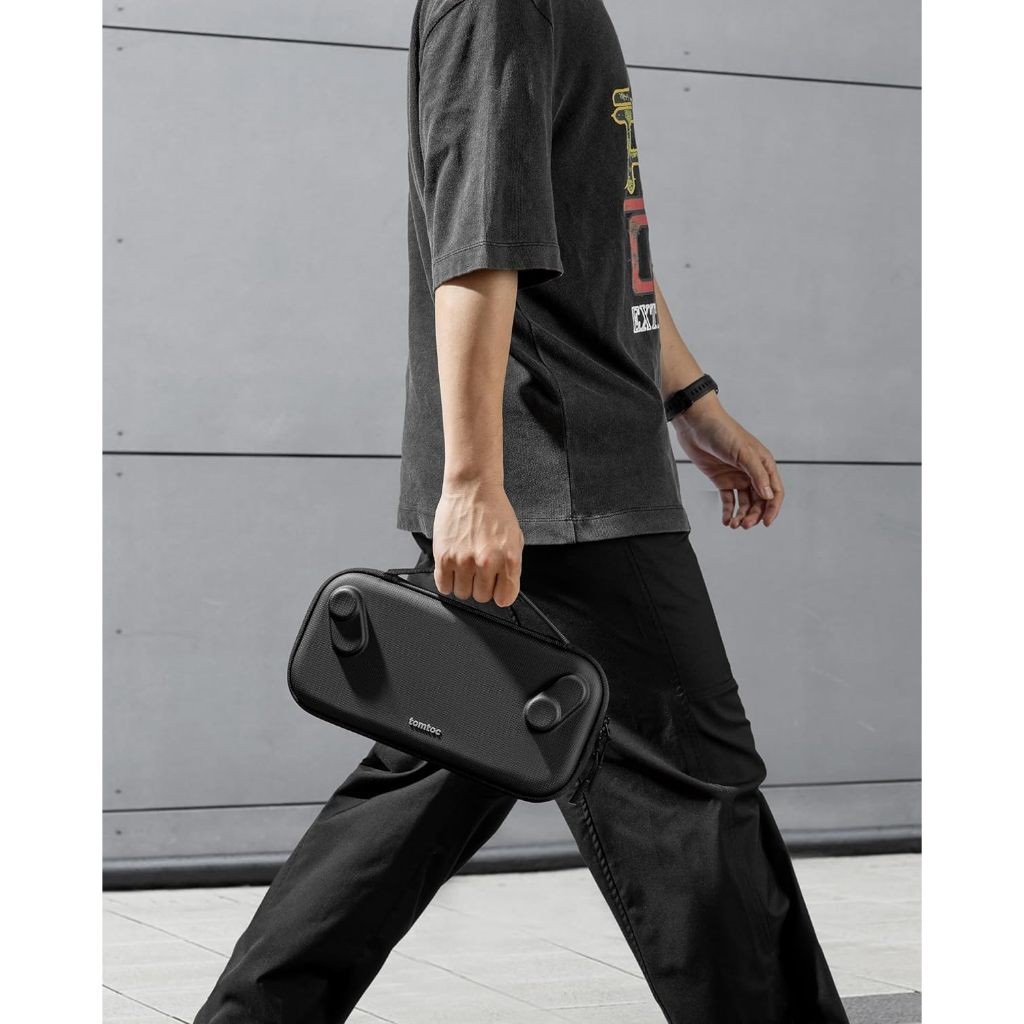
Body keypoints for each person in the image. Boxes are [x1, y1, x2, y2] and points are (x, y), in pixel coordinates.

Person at [195, 1, 849, 1021]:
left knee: (430, 779)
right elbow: (477, 242)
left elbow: (605, 238)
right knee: (695, 797)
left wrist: (692, 401)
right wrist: (471, 483)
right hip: (561, 486)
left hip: (563, 469)